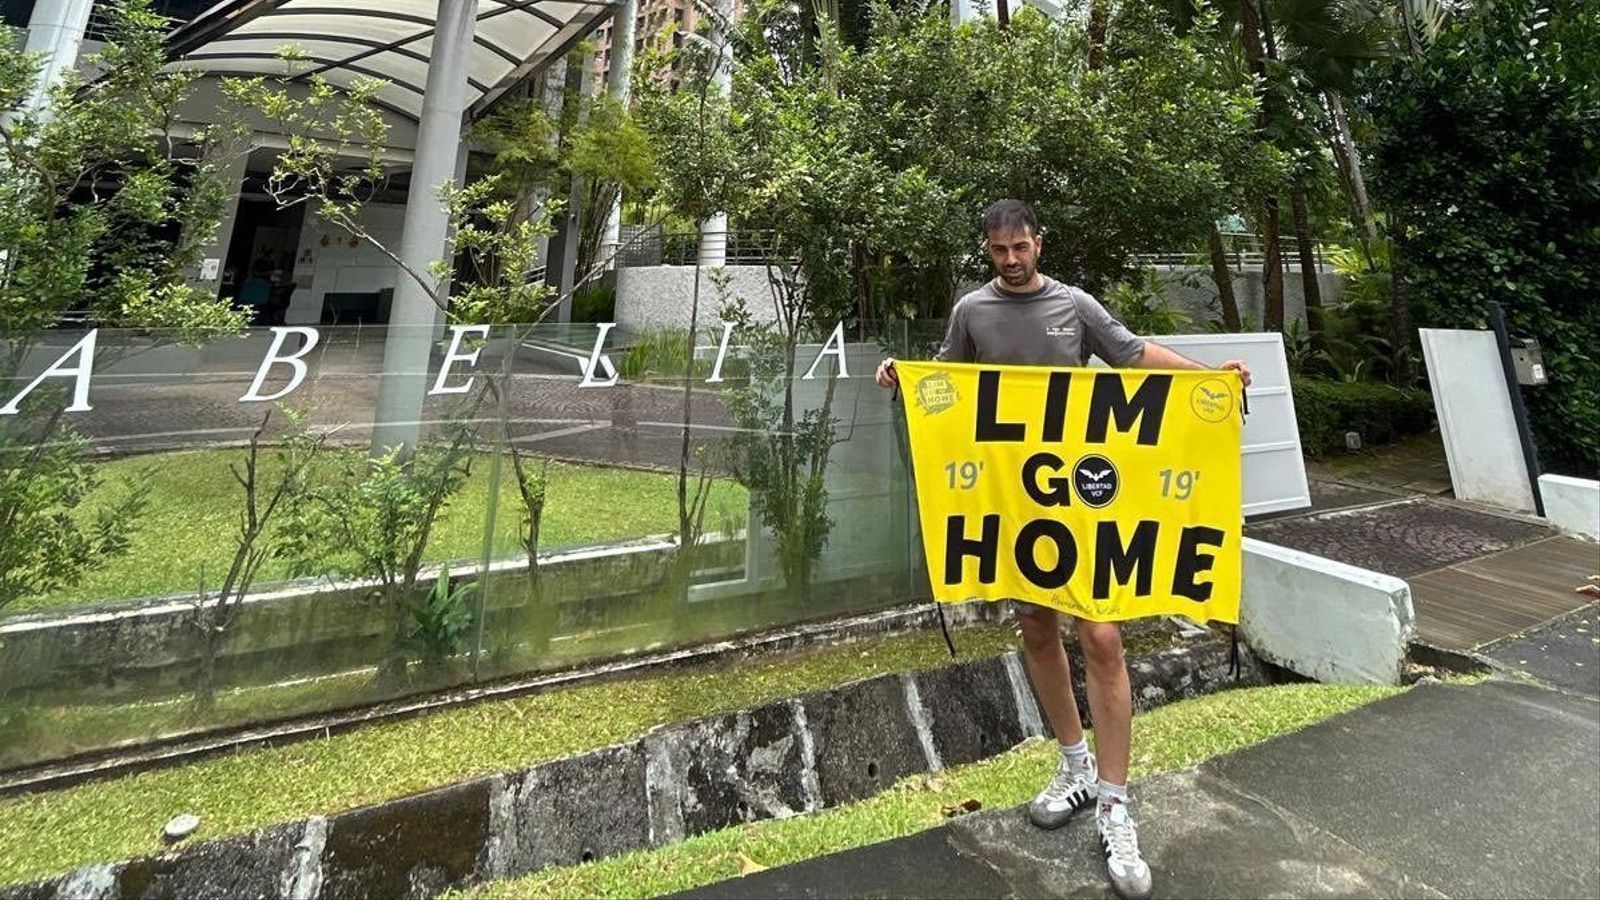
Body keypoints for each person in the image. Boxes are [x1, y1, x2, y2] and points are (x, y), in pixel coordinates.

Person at [875, 199, 1251, 900]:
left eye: (1021, 248)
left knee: (1102, 636)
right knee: (1037, 627)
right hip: (1020, 506)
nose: (1012, 262)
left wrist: (1210, 381)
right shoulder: (972, 313)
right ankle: (1075, 767)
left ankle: (1114, 802)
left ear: (1038, 244)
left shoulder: (1074, 304)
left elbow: (1134, 355)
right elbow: (950, 387)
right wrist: (906, 377)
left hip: (1083, 500)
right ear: (986, 252)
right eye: (999, 253)